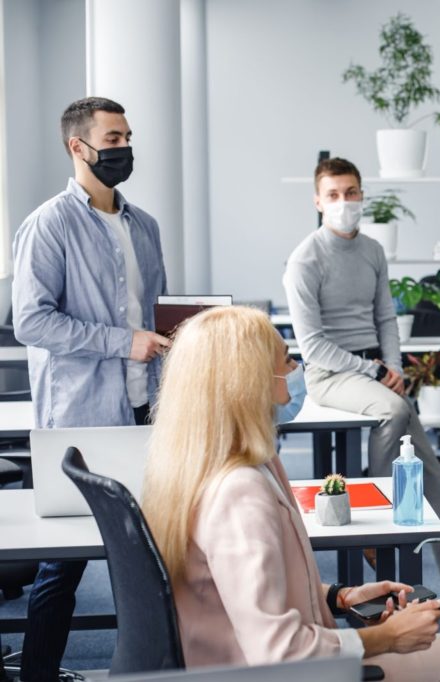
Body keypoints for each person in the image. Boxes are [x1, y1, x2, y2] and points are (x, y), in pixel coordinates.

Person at [141, 306, 440, 680]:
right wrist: (386, 637)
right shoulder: (239, 493)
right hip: (273, 671)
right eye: (287, 361)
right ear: (252, 382)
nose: (296, 370)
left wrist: (339, 596)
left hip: (230, 658)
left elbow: (243, 588)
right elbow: (277, 652)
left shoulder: (201, 462)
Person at [282, 157, 440, 627]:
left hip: (375, 370)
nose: (344, 202)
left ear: (361, 195)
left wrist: (392, 366)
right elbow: (312, 345)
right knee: (396, 413)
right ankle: (380, 519)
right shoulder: (304, 259)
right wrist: (374, 372)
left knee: (429, 471)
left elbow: (386, 319)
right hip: (330, 374)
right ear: (317, 201)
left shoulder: (372, 250)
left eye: (351, 192)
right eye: (333, 195)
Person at [11, 97, 169, 681]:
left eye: (127, 135)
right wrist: (121, 341)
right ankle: (37, 676)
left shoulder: (143, 225)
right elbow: (31, 321)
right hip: (81, 414)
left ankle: (152, 670)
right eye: (111, 137)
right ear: (78, 147)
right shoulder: (48, 224)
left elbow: (155, 310)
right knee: (64, 565)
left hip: (144, 408)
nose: (123, 147)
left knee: (154, 556)